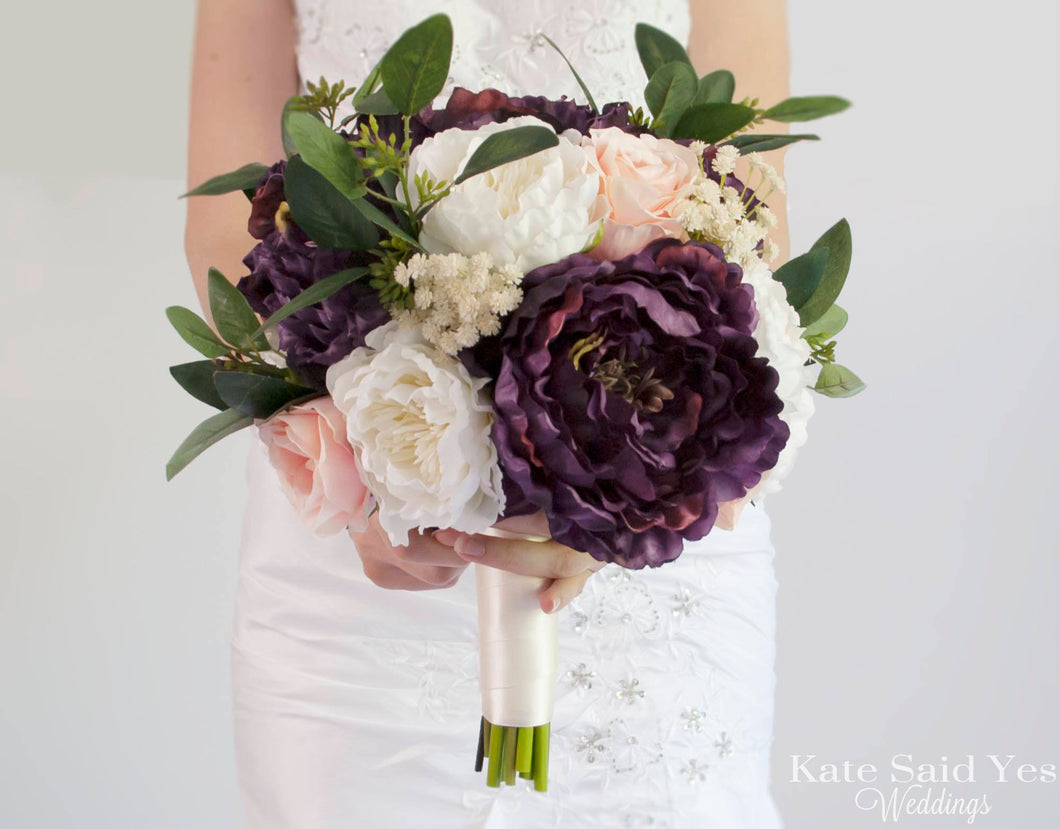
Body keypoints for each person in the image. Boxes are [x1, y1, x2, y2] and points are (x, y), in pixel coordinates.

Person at [186, 1, 792, 826]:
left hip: (652, 552)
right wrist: (369, 471)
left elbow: (755, 214)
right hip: (360, 559)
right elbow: (229, 225)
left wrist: (616, 494)